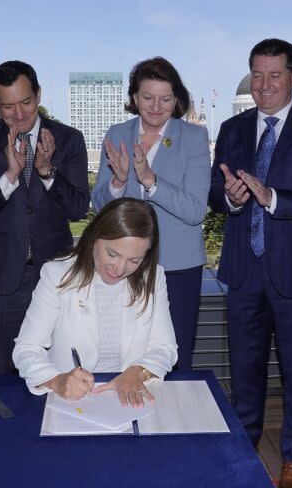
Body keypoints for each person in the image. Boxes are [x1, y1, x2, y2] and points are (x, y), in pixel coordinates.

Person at [209, 39, 292, 488]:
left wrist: (272, 197)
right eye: (257, 75)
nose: (264, 86)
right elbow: (215, 191)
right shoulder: (231, 129)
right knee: (244, 371)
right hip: (244, 272)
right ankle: (244, 445)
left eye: (275, 76)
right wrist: (229, 198)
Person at [0, 60, 89, 375]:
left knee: (58, 372)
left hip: (57, 277)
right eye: (8, 106)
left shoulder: (69, 139)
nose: (18, 114)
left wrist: (48, 173)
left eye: (26, 103)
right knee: (0, 376)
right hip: (1, 280)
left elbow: (78, 209)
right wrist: (9, 177)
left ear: (39, 95)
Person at [92, 57, 209, 370]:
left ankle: (171, 419)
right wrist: (117, 181)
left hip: (178, 268)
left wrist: (151, 182)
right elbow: (99, 205)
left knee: (175, 358)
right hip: (123, 267)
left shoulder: (194, 138)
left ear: (176, 100)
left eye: (165, 99)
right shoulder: (117, 134)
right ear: (134, 98)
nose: (156, 106)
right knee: (124, 355)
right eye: (147, 97)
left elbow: (196, 211)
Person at [13, 197, 177, 405]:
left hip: (131, 394)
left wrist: (138, 372)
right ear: (94, 238)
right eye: (112, 254)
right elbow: (26, 348)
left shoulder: (153, 278)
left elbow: (165, 348)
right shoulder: (57, 274)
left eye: (134, 260)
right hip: (72, 400)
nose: (119, 269)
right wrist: (56, 380)